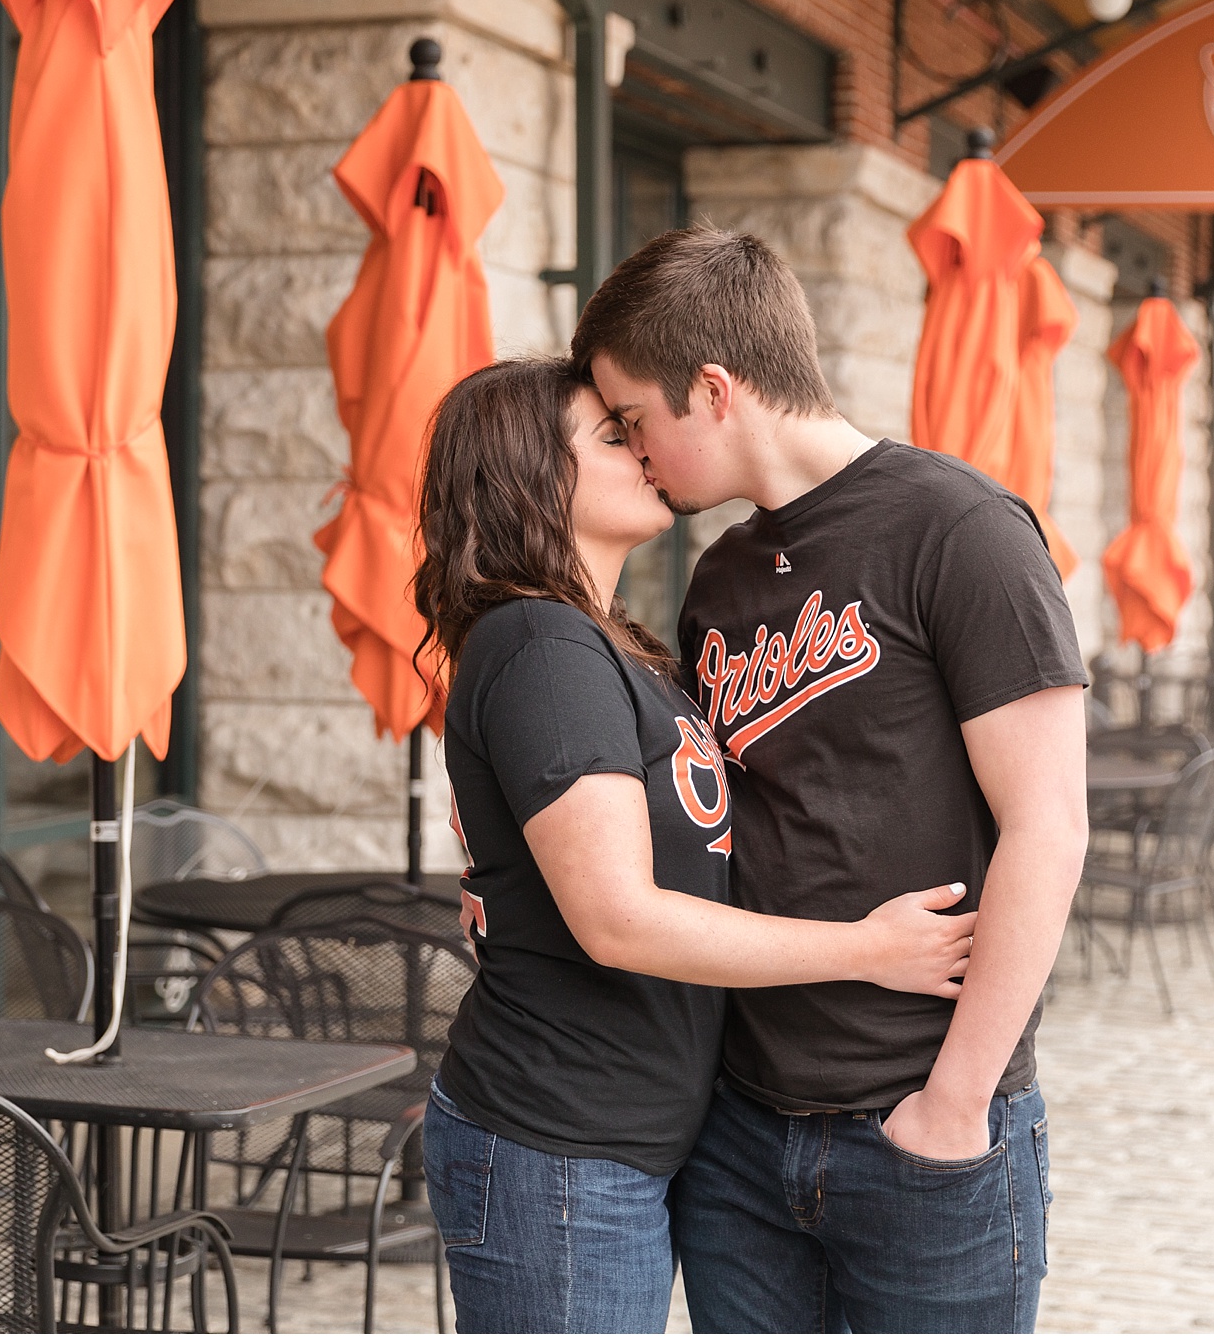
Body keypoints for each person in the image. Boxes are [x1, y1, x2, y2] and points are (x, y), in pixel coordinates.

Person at [574, 225, 1087, 1333]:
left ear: (711, 389)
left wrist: (953, 1104)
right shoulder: (716, 575)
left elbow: (1049, 827)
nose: (632, 451)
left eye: (634, 421)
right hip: (740, 1135)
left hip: (922, 1130)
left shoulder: (961, 530)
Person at [412, 357, 982, 1333]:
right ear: (529, 478)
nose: (643, 447)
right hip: (557, 1142)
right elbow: (617, 917)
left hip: (615, 1145)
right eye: (609, 435)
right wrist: (865, 947)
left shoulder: (604, 642)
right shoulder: (541, 645)